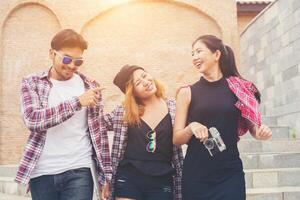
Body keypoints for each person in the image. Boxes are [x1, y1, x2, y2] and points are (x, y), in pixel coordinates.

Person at [15, 29, 111, 200]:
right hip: (42, 171)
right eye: (66, 59)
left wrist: (106, 175)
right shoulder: (32, 82)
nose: (72, 66)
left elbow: (100, 134)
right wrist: (77, 102)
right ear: (52, 53)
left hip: (79, 168)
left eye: (78, 61)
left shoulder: (90, 86)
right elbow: (32, 119)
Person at [173, 35, 272, 200]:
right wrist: (191, 127)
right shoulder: (186, 93)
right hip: (197, 175)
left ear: (216, 55)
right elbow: (176, 139)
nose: (194, 57)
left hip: (229, 173)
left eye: (199, 51)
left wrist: (260, 132)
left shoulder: (238, 89)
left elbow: (253, 128)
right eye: (192, 54)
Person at [103, 65, 183, 200]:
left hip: (162, 179)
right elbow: (97, 124)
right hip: (128, 178)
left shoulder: (174, 107)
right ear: (132, 92)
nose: (146, 82)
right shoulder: (123, 112)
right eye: (138, 83)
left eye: (145, 76)